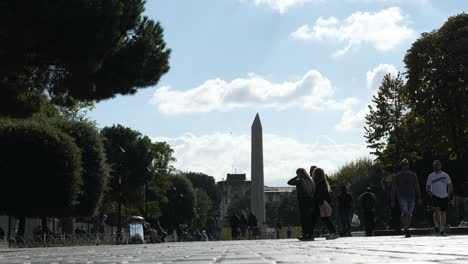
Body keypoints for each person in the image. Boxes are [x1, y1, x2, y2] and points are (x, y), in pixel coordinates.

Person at [391, 159, 422, 238]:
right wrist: (392, 200)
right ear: (401, 166)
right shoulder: (398, 176)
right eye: (404, 164)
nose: (405, 166)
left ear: (408, 165)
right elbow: (394, 188)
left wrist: (419, 197)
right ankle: (407, 229)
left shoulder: (413, 175)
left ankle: (406, 227)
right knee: (406, 213)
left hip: (412, 196)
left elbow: (416, 186)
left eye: (407, 164)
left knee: (409, 214)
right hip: (402, 196)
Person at [311, 167, 339, 240]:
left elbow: (319, 194)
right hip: (322, 202)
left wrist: (316, 201)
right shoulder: (323, 182)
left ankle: (334, 232)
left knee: (323, 218)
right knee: (323, 218)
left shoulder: (319, 183)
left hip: (320, 203)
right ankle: (333, 232)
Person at [426, 160, 453, 235]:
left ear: (440, 166)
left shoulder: (445, 175)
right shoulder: (431, 176)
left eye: (438, 165)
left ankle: (442, 229)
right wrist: (431, 195)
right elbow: (427, 187)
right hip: (435, 196)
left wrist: (449, 195)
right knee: (436, 210)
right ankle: (436, 225)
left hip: (444, 196)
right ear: (433, 167)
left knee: (443, 212)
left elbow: (450, 185)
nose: (436, 166)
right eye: (435, 165)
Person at [287, 167, 315, 240]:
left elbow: (289, 182)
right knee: (309, 219)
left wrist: (296, 177)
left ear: (299, 174)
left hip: (302, 200)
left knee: (303, 219)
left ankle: (305, 235)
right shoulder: (310, 180)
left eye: (297, 173)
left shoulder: (300, 181)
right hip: (310, 200)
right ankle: (310, 235)